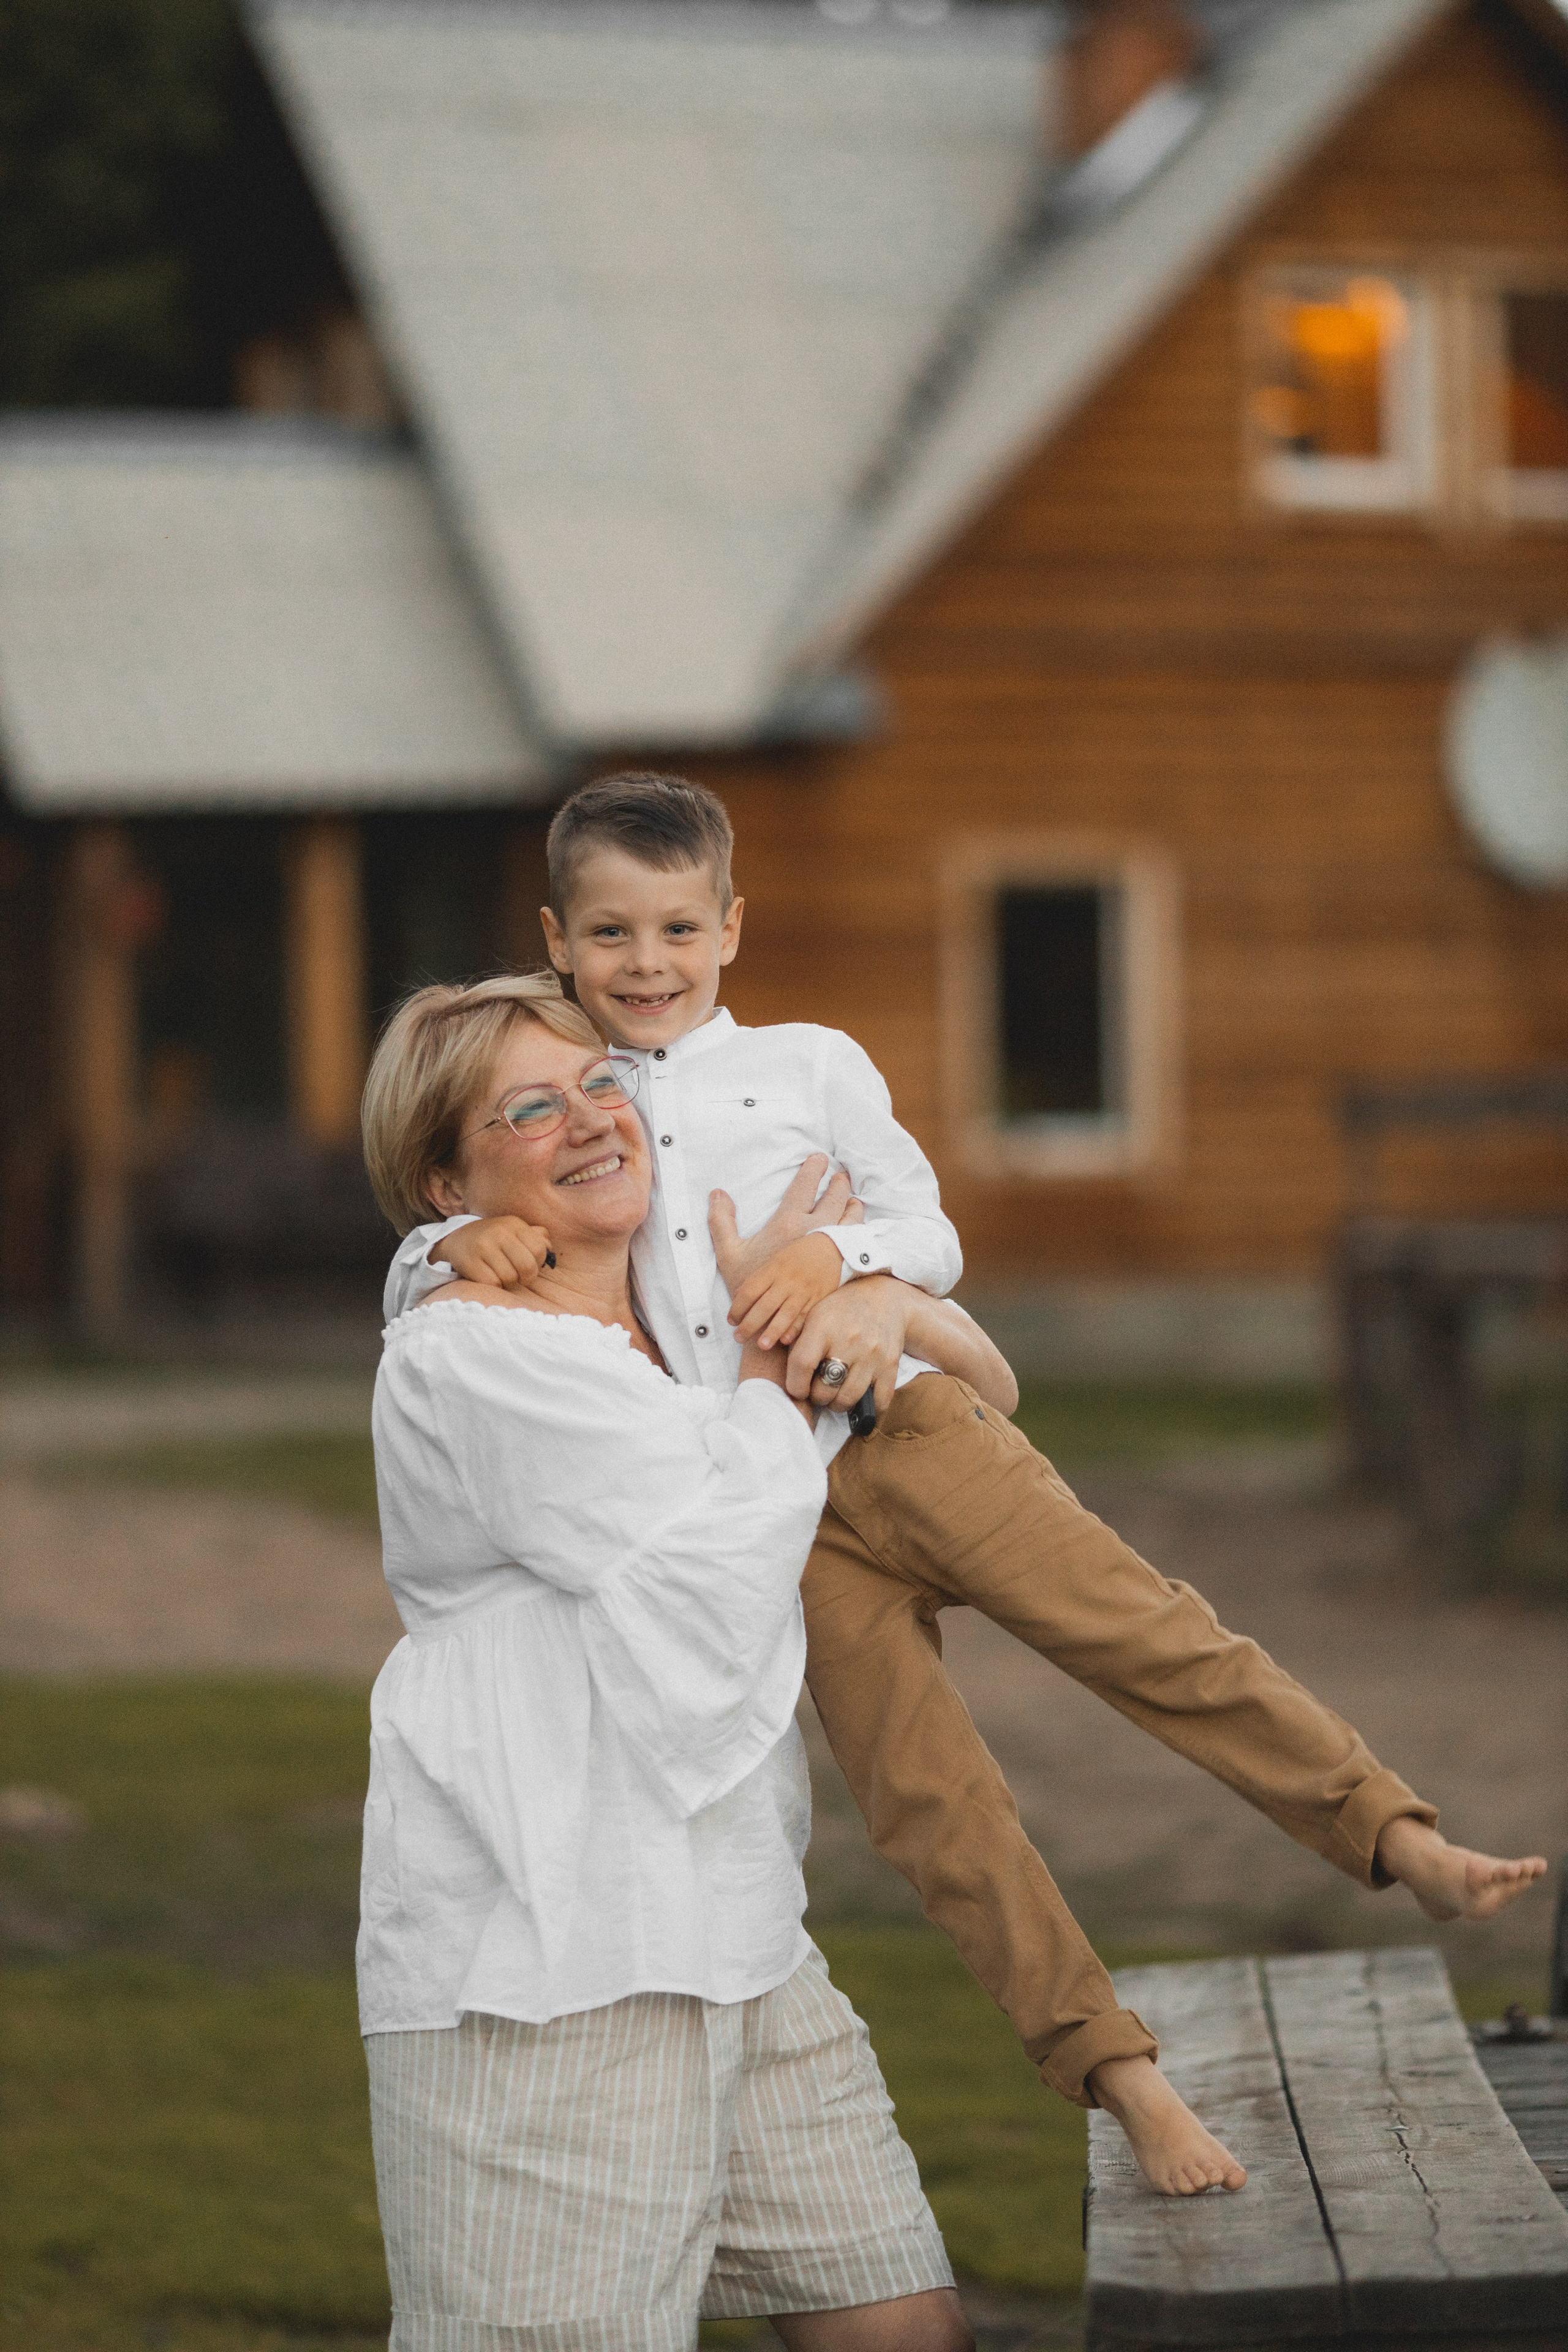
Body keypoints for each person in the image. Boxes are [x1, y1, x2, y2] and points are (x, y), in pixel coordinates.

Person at [385, 772, 1548, 2198]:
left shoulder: (811, 1063)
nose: (646, 966)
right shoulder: (578, 1098)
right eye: (613, 936)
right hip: (781, 1522)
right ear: (558, 939)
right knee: (931, 1805)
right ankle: (1119, 2081)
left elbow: (923, 1222)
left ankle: (1391, 1833)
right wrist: (432, 1256)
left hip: (907, 1431)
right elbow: (470, 1204)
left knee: (1145, 1631)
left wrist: (841, 1264)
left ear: (731, 928)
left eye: (677, 931)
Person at [359, 970, 1016, 2350]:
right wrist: (781, 1383)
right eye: (529, 1110)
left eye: (600, 1084)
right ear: (445, 1182)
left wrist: (852, 1287)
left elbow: (974, 1388)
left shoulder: (682, 1314)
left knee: (895, 2320)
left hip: (736, 1925)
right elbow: (717, 1566)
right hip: (546, 1952)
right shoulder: (469, 1352)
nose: (591, 1121)